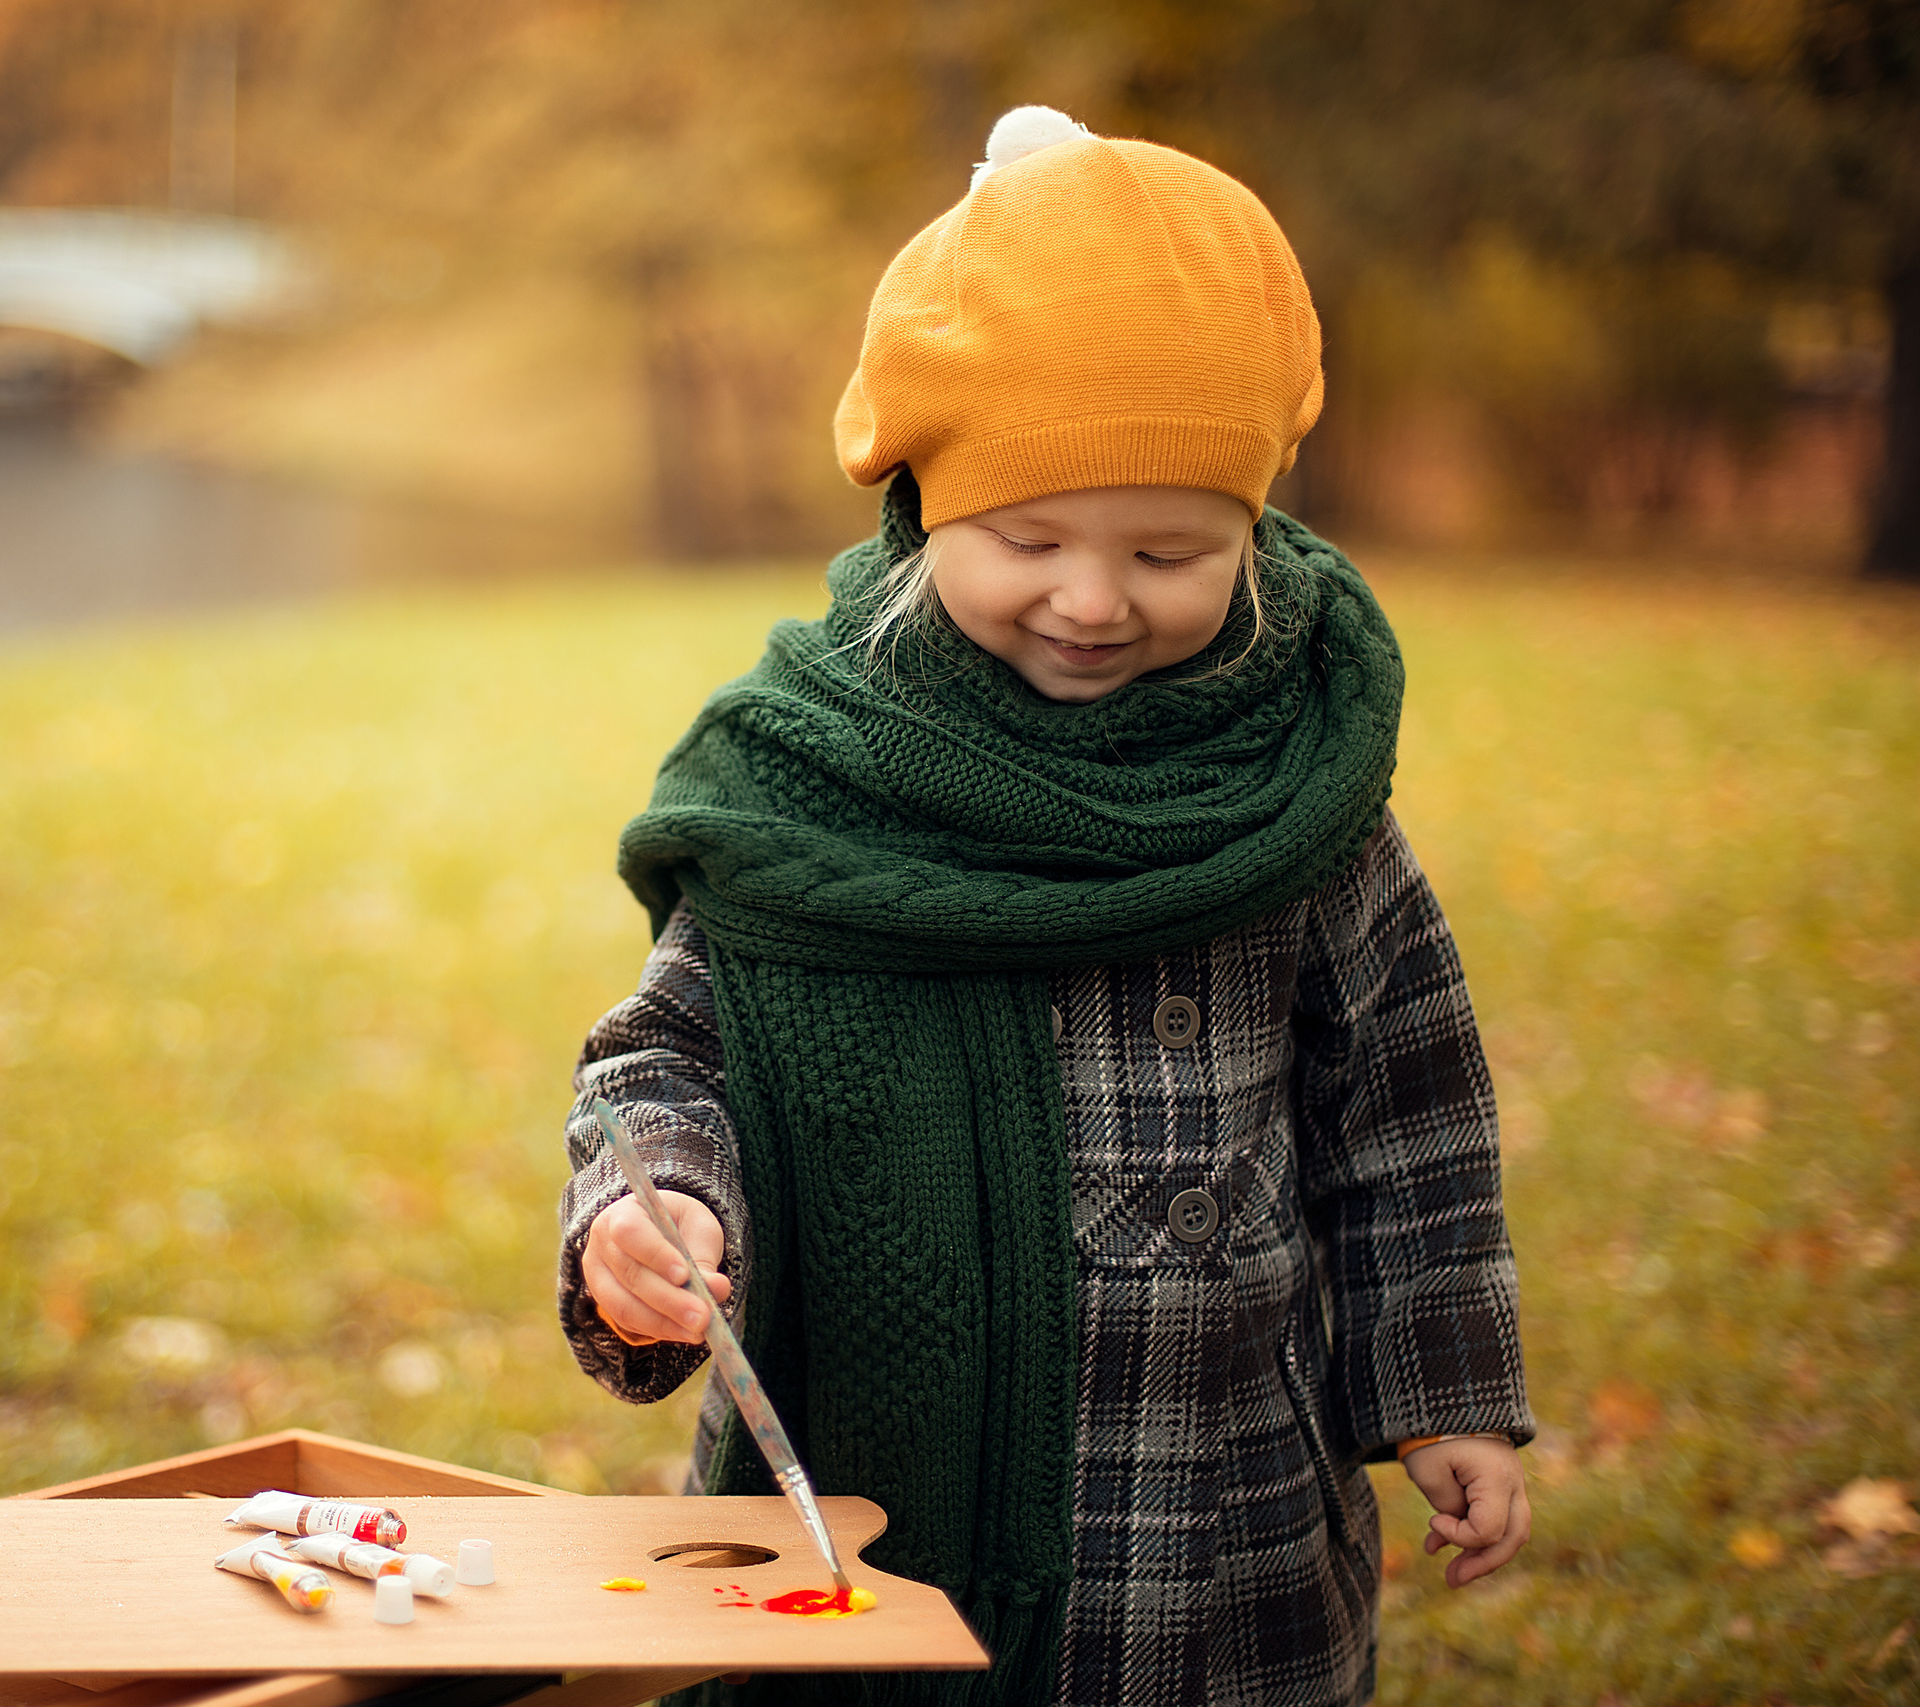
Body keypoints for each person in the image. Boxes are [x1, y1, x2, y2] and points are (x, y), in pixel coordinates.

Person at [555, 107, 1533, 1707]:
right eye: (1027, 538)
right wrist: (651, 1204)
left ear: (1258, 533)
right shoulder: (819, 776)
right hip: (877, 1516)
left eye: (1170, 551)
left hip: (1223, 1512)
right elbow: (668, 1056)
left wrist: (1447, 1393)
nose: (1092, 599)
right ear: (925, 500)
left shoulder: (1293, 790)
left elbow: (1407, 1114)